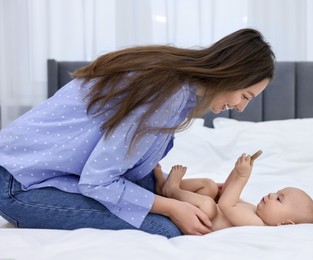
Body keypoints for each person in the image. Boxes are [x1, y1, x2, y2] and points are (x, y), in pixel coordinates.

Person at [0, 28, 275, 238]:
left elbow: (127, 163)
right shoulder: (169, 95)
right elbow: (98, 181)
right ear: (234, 74)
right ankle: (37, 212)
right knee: (167, 228)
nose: (240, 108)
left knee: (161, 199)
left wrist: (172, 188)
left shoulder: (178, 84)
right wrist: (172, 207)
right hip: (19, 183)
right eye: (245, 96)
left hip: (44, 172)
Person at [154, 153, 313, 231]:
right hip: (197, 208)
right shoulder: (254, 210)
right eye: (276, 192)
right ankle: (163, 186)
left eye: (278, 199)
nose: (271, 195)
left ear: (284, 224)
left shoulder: (258, 225)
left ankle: (172, 189)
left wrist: (242, 176)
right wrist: (236, 171)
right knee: (210, 186)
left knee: (208, 205)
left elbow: (226, 205)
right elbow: (227, 193)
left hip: (199, 218)